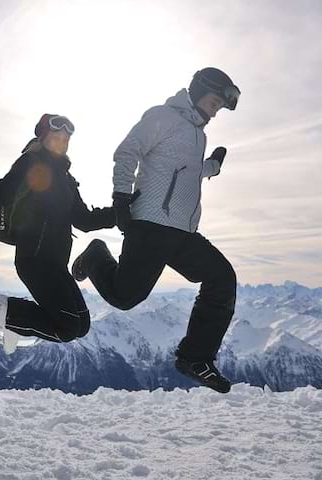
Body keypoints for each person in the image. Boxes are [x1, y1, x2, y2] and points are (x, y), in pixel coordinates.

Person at [71, 68, 241, 393]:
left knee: (221, 278)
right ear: (198, 90)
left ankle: (195, 357)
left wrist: (213, 166)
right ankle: (95, 256)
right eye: (214, 101)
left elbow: (185, 173)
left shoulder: (198, 134)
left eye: (221, 105)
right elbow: (126, 151)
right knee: (124, 298)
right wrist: (121, 197)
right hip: (149, 225)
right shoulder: (162, 117)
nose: (216, 109)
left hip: (182, 232)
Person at [0, 114, 115, 354]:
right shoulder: (31, 163)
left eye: (65, 139)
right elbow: (1, 192)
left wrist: (120, 213)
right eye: (55, 137)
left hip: (56, 264)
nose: (60, 143)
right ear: (43, 137)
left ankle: (14, 322)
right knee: (67, 328)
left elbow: (85, 221)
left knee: (81, 325)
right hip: (35, 260)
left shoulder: (67, 180)